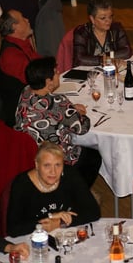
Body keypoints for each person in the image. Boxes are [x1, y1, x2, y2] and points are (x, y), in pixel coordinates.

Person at [15, 57, 102, 187]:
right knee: (94, 156)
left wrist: (69, 109)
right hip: (54, 156)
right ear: (48, 81)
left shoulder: (26, 91)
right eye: (56, 72)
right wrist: (80, 113)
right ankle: (75, 192)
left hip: (29, 152)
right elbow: (82, 127)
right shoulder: (57, 102)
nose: (59, 73)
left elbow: (51, 113)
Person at [7, 141, 100, 236]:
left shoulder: (70, 175)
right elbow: (13, 229)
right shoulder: (22, 184)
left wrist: (58, 223)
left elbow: (93, 212)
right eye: (47, 165)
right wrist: (50, 217)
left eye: (58, 165)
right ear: (37, 165)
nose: (53, 172)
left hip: (67, 235)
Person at [0, 9, 41, 126]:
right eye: (23, 19)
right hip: (22, 111)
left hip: (31, 98)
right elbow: (36, 81)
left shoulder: (22, 43)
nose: (27, 20)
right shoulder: (11, 54)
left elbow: (39, 64)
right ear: (15, 27)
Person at [73, 0, 132, 67]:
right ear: (92, 19)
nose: (108, 21)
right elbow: (79, 59)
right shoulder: (82, 32)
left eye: (110, 16)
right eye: (103, 18)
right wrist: (102, 60)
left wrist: (104, 57)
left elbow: (127, 52)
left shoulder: (116, 28)